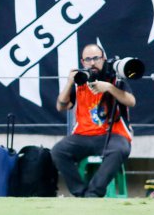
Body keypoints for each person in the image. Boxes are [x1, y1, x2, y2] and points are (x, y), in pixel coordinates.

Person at [51, 44, 135, 198]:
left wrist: (109, 88)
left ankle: (94, 193)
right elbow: (61, 106)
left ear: (103, 58)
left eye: (96, 58)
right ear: (82, 62)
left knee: (120, 150)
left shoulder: (114, 77)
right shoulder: (80, 81)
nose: (92, 63)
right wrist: (69, 82)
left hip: (113, 134)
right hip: (83, 135)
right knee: (58, 151)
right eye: (88, 59)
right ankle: (80, 193)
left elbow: (131, 101)